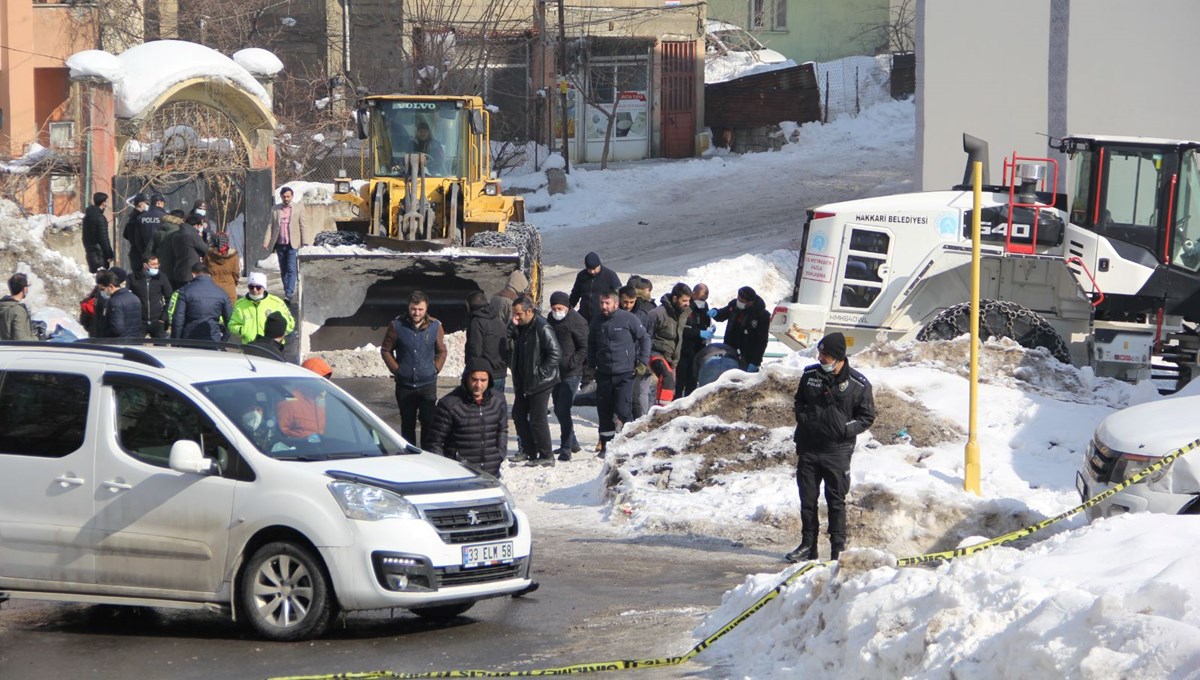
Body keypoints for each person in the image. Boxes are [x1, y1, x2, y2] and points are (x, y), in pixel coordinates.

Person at [788, 332, 876, 563]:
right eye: (820, 353)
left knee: (835, 501)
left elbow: (866, 417)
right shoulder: (809, 375)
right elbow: (799, 401)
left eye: (825, 354)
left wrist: (843, 430)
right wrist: (803, 416)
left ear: (839, 358)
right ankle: (808, 546)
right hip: (808, 447)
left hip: (836, 452)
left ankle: (838, 549)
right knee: (808, 500)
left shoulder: (858, 384)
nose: (820, 358)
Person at [380, 291, 446, 448]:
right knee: (407, 423)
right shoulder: (397, 325)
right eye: (413, 309)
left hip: (427, 384)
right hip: (405, 386)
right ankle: (410, 456)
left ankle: (427, 455)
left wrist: (435, 368)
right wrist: (397, 370)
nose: (417, 313)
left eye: (420, 309)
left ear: (426, 308)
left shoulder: (435, 326)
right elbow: (385, 350)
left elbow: (442, 351)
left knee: (428, 423)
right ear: (409, 308)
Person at [588, 289, 649, 455]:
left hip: (625, 374)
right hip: (603, 374)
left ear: (616, 303)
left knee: (623, 410)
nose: (603, 306)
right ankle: (606, 447)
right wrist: (591, 367)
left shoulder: (629, 319)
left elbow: (645, 339)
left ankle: (629, 443)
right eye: (601, 303)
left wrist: (642, 362)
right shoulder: (597, 321)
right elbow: (591, 344)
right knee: (604, 411)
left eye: (607, 303)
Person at [426, 357, 508, 477]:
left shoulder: (498, 400)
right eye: (474, 379)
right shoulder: (449, 404)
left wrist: (499, 454)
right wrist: (447, 468)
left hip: (491, 474)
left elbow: (502, 429)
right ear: (466, 378)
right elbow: (434, 443)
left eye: (483, 380)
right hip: (460, 476)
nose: (478, 385)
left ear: (489, 380)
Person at [509, 295, 560, 467]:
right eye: (514, 315)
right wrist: (513, 325)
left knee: (538, 418)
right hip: (525, 380)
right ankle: (529, 450)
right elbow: (509, 338)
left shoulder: (542, 326)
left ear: (529, 311)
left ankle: (546, 454)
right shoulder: (523, 327)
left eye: (519, 314)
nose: (516, 318)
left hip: (540, 381)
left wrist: (541, 373)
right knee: (518, 413)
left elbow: (555, 353)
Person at [547, 291, 587, 461]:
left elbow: (584, 347)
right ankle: (573, 442)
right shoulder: (550, 319)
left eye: (560, 308)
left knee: (563, 408)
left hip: (572, 372)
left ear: (567, 307)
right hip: (555, 371)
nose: (557, 311)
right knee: (558, 408)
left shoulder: (577, 321)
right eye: (554, 308)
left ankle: (566, 447)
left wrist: (571, 363)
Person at [645, 282, 692, 406]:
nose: (687, 303)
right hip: (656, 353)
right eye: (684, 300)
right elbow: (646, 336)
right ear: (675, 298)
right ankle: (661, 412)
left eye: (689, 300)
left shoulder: (685, 312)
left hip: (673, 357)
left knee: (669, 388)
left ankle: (662, 409)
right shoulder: (657, 314)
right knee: (667, 378)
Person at [711, 285, 771, 372]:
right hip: (730, 349)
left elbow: (762, 341)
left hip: (748, 354)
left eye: (741, 301)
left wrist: (755, 362)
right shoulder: (734, 305)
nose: (738, 301)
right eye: (738, 298)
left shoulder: (761, 315)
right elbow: (722, 314)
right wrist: (716, 312)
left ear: (750, 302)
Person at [264, 186, 307, 302]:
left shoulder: (298, 208)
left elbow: (303, 225)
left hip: (293, 244)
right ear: (281, 197)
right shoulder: (275, 209)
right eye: (284, 196)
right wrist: (266, 241)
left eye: (288, 196)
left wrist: (305, 242)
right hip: (280, 243)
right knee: (283, 269)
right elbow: (270, 226)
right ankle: (287, 289)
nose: (286, 198)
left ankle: (289, 293)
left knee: (291, 268)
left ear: (292, 196)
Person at [170, 263, 233, 342]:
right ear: (209, 274)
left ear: (193, 274)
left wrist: (175, 341)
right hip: (213, 338)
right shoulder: (222, 293)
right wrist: (223, 340)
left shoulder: (185, 291)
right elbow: (230, 321)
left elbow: (178, 319)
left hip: (189, 338)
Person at [229, 272, 295, 345]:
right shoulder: (240, 305)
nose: (254, 290)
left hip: (272, 346)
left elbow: (290, 324)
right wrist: (243, 331)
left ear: (264, 287)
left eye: (258, 287)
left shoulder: (276, 303)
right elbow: (232, 325)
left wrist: (277, 337)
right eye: (251, 287)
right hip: (250, 346)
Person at [465, 290, 509, 396]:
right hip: (500, 373)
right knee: (496, 407)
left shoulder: (477, 322)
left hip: (483, 376)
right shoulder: (499, 321)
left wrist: (472, 370)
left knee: (481, 409)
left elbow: (475, 350)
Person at [677, 282, 714, 399]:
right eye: (701, 297)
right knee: (680, 381)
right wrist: (698, 333)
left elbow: (705, 322)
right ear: (693, 294)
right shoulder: (686, 306)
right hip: (684, 349)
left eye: (705, 298)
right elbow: (681, 328)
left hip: (698, 349)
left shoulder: (704, 306)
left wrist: (709, 329)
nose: (703, 301)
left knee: (692, 380)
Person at [127, 254, 173, 338]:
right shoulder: (132, 278)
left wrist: (163, 317)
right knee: (136, 346)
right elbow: (126, 296)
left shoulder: (162, 277)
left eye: (157, 264)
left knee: (161, 348)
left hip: (157, 320)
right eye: (153, 264)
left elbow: (170, 297)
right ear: (145, 265)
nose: (156, 267)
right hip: (139, 321)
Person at [569, 252, 622, 324]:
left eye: (594, 269)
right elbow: (575, 294)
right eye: (589, 269)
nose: (592, 271)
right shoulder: (581, 276)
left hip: (603, 316)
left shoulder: (610, 275)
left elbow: (619, 294)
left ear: (599, 265)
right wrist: (568, 309)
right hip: (584, 316)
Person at [123, 193, 163, 272]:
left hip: (135, 251)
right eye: (146, 203)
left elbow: (125, 234)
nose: (148, 205)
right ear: (141, 204)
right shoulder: (139, 217)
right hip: (140, 252)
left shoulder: (131, 216)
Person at [100, 268, 144, 339]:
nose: (102, 292)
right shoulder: (135, 298)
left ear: (110, 286)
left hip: (120, 343)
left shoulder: (114, 301)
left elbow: (117, 329)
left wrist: (104, 332)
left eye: (103, 289)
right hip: (136, 341)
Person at [172, 214, 208, 290]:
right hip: (190, 272)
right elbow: (205, 249)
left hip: (178, 270)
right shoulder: (192, 235)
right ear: (196, 225)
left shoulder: (176, 234)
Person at [82, 192, 114, 273]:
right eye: (106, 202)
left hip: (90, 254)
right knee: (102, 280)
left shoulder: (87, 217)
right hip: (100, 255)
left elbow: (84, 237)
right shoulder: (100, 218)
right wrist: (109, 254)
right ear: (103, 203)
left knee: (95, 279)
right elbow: (104, 238)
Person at [0, 273, 35, 341]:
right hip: (14, 351)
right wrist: (38, 338)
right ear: (24, 289)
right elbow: (21, 340)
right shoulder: (18, 311)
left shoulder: (3, 305)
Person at [207, 232, 240, 303]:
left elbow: (204, 271)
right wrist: (234, 283)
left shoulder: (208, 256)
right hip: (229, 291)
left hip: (213, 290)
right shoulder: (233, 256)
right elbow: (236, 273)